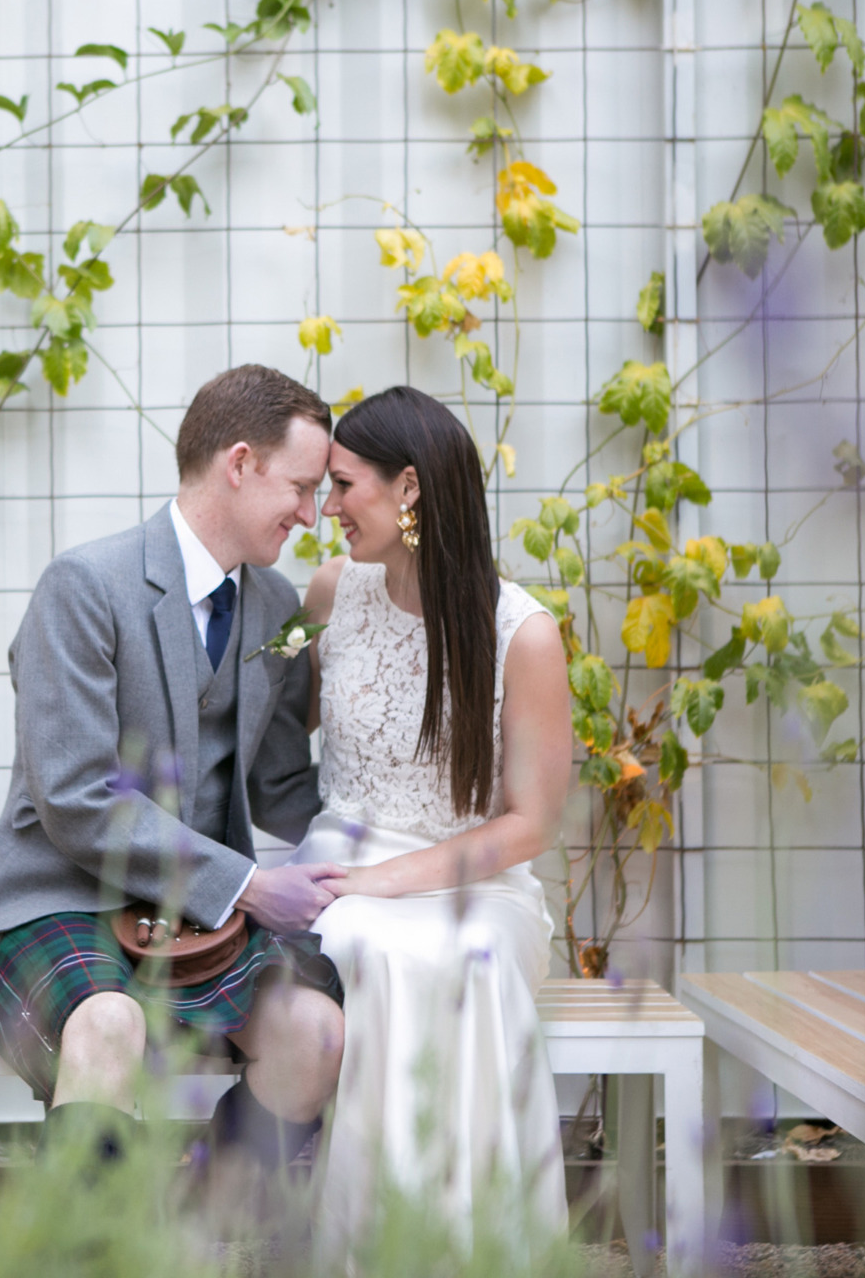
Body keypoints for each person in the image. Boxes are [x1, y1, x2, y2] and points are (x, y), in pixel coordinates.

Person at [0, 364, 348, 1174]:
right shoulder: (85, 587)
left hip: (202, 927)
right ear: (239, 463)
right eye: (302, 488)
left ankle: (196, 1229)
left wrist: (403, 846)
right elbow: (76, 799)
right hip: (60, 901)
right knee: (108, 1026)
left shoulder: (276, 609)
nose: (312, 517)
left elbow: (280, 788)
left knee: (315, 1035)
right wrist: (246, 884)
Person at [292, 386, 573, 1243]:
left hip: (475, 878)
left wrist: (388, 879)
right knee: (364, 943)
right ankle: (368, 1243)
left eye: (344, 485)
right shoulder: (333, 593)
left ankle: (462, 1241)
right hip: (342, 854)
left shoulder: (522, 634)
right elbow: (272, 735)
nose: (327, 508)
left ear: (408, 487)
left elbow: (529, 825)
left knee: (465, 961)